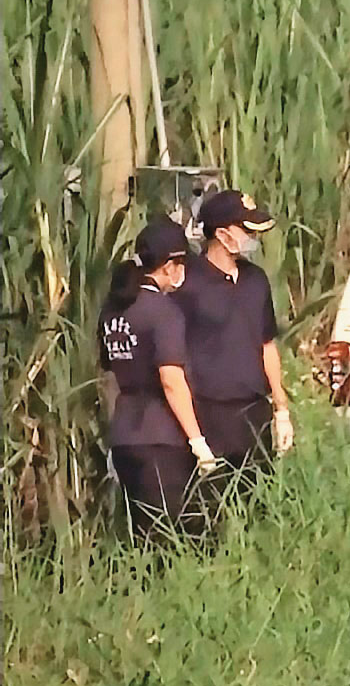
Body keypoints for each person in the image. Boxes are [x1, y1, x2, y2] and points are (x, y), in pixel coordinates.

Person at [98, 217, 220, 539]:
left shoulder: (112, 309)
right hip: (160, 441)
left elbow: (109, 376)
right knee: (169, 540)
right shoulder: (163, 312)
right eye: (180, 264)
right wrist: (197, 441)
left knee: (139, 536)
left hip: (124, 439)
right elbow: (171, 380)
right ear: (168, 266)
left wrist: (112, 441)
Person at [175, 189, 293, 506]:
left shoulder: (256, 280)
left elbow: (267, 343)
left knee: (258, 502)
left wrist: (281, 408)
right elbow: (171, 361)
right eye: (248, 231)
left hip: (255, 411)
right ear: (224, 234)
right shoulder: (187, 283)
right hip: (210, 411)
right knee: (212, 505)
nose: (253, 239)